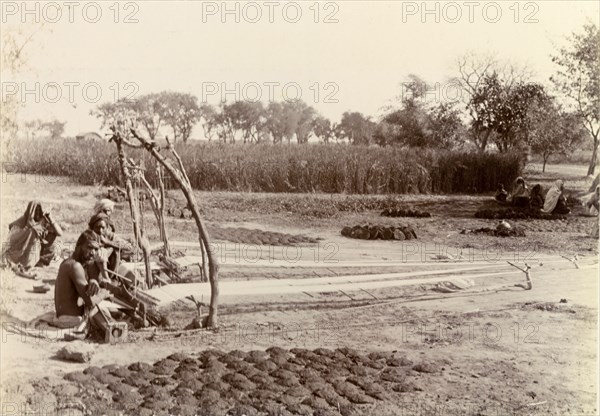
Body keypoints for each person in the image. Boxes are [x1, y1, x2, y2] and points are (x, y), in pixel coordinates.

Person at [2, 201, 63, 277]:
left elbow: (59, 233)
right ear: (30, 211)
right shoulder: (22, 221)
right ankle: (28, 263)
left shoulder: (43, 221)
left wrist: (50, 218)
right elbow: (12, 240)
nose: (37, 213)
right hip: (19, 253)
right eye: (35, 210)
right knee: (32, 232)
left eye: (39, 210)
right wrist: (27, 229)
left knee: (52, 243)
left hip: (37, 252)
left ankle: (38, 259)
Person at [54, 230, 102, 321]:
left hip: (64, 316)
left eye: (96, 249)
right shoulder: (75, 266)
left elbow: (90, 283)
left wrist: (93, 281)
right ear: (78, 246)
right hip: (70, 319)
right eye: (89, 247)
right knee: (103, 309)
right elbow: (91, 302)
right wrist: (105, 294)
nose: (93, 253)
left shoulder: (70, 261)